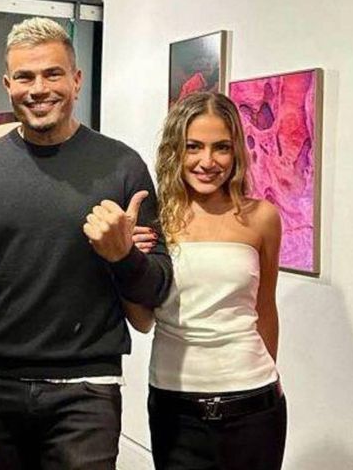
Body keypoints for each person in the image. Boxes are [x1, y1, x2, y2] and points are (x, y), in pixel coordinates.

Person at [0, 16, 172, 470]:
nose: (39, 88)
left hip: (86, 391)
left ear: (76, 80)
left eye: (53, 74)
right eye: (25, 77)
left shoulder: (122, 167)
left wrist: (123, 256)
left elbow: (155, 289)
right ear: (8, 85)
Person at [128, 91, 287, 470]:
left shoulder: (262, 218)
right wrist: (125, 260)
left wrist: (266, 374)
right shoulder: (155, 221)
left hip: (254, 403)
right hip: (175, 406)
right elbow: (142, 320)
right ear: (175, 150)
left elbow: (265, 308)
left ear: (236, 152)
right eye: (193, 146)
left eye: (221, 147)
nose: (207, 161)